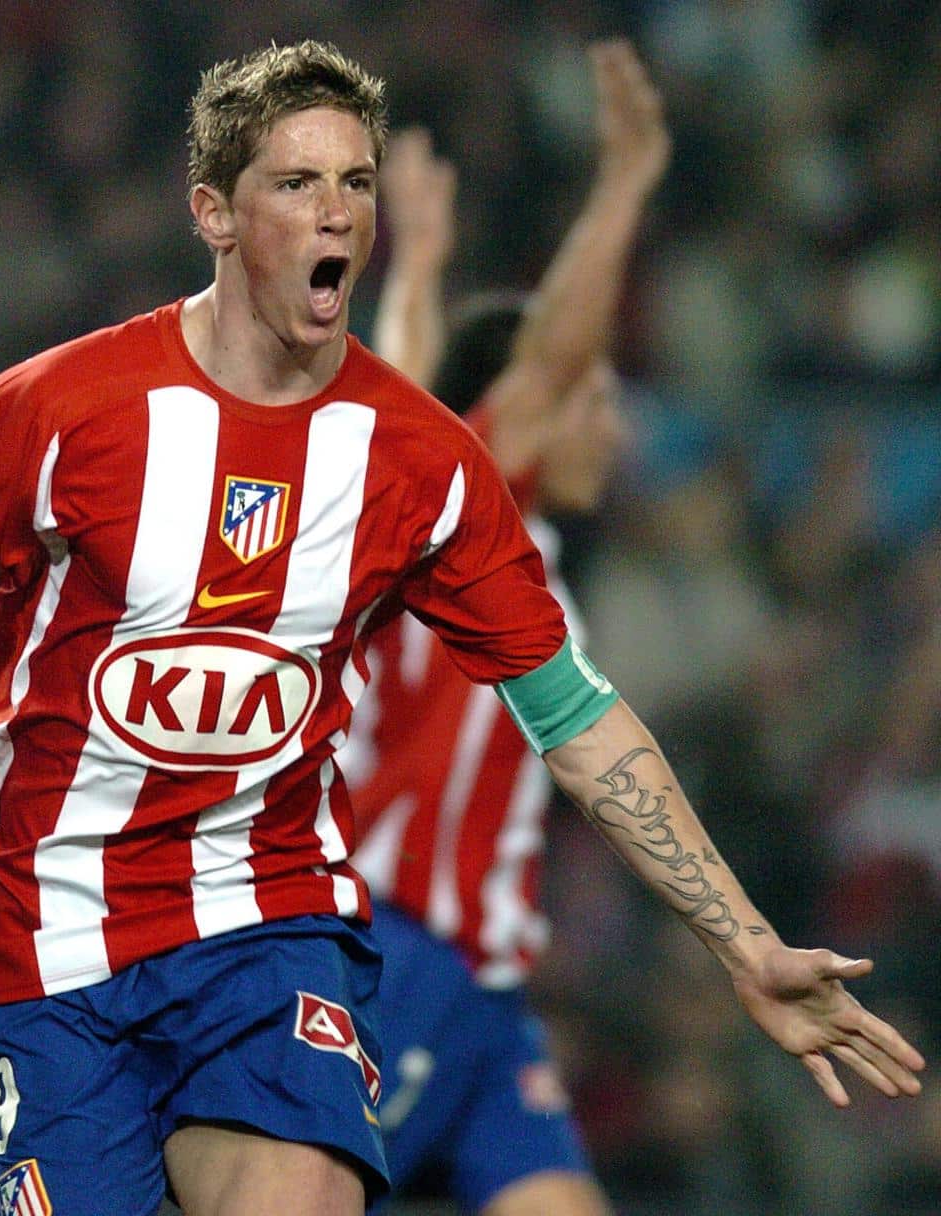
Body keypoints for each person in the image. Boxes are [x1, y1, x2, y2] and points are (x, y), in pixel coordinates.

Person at [0, 39, 923, 1216]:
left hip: (268, 926)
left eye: (354, 183)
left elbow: (578, 715)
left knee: (303, 1195)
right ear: (215, 210)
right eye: (297, 182)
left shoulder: (418, 461)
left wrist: (744, 941)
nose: (337, 213)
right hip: (47, 941)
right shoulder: (51, 410)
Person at [344, 40, 665, 1216]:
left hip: (485, 986)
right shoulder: (473, 526)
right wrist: (626, 181)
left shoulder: (515, 558)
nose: (612, 428)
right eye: (597, 399)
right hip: (399, 951)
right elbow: (517, 371)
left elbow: (403, 388)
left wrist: (421, 265)